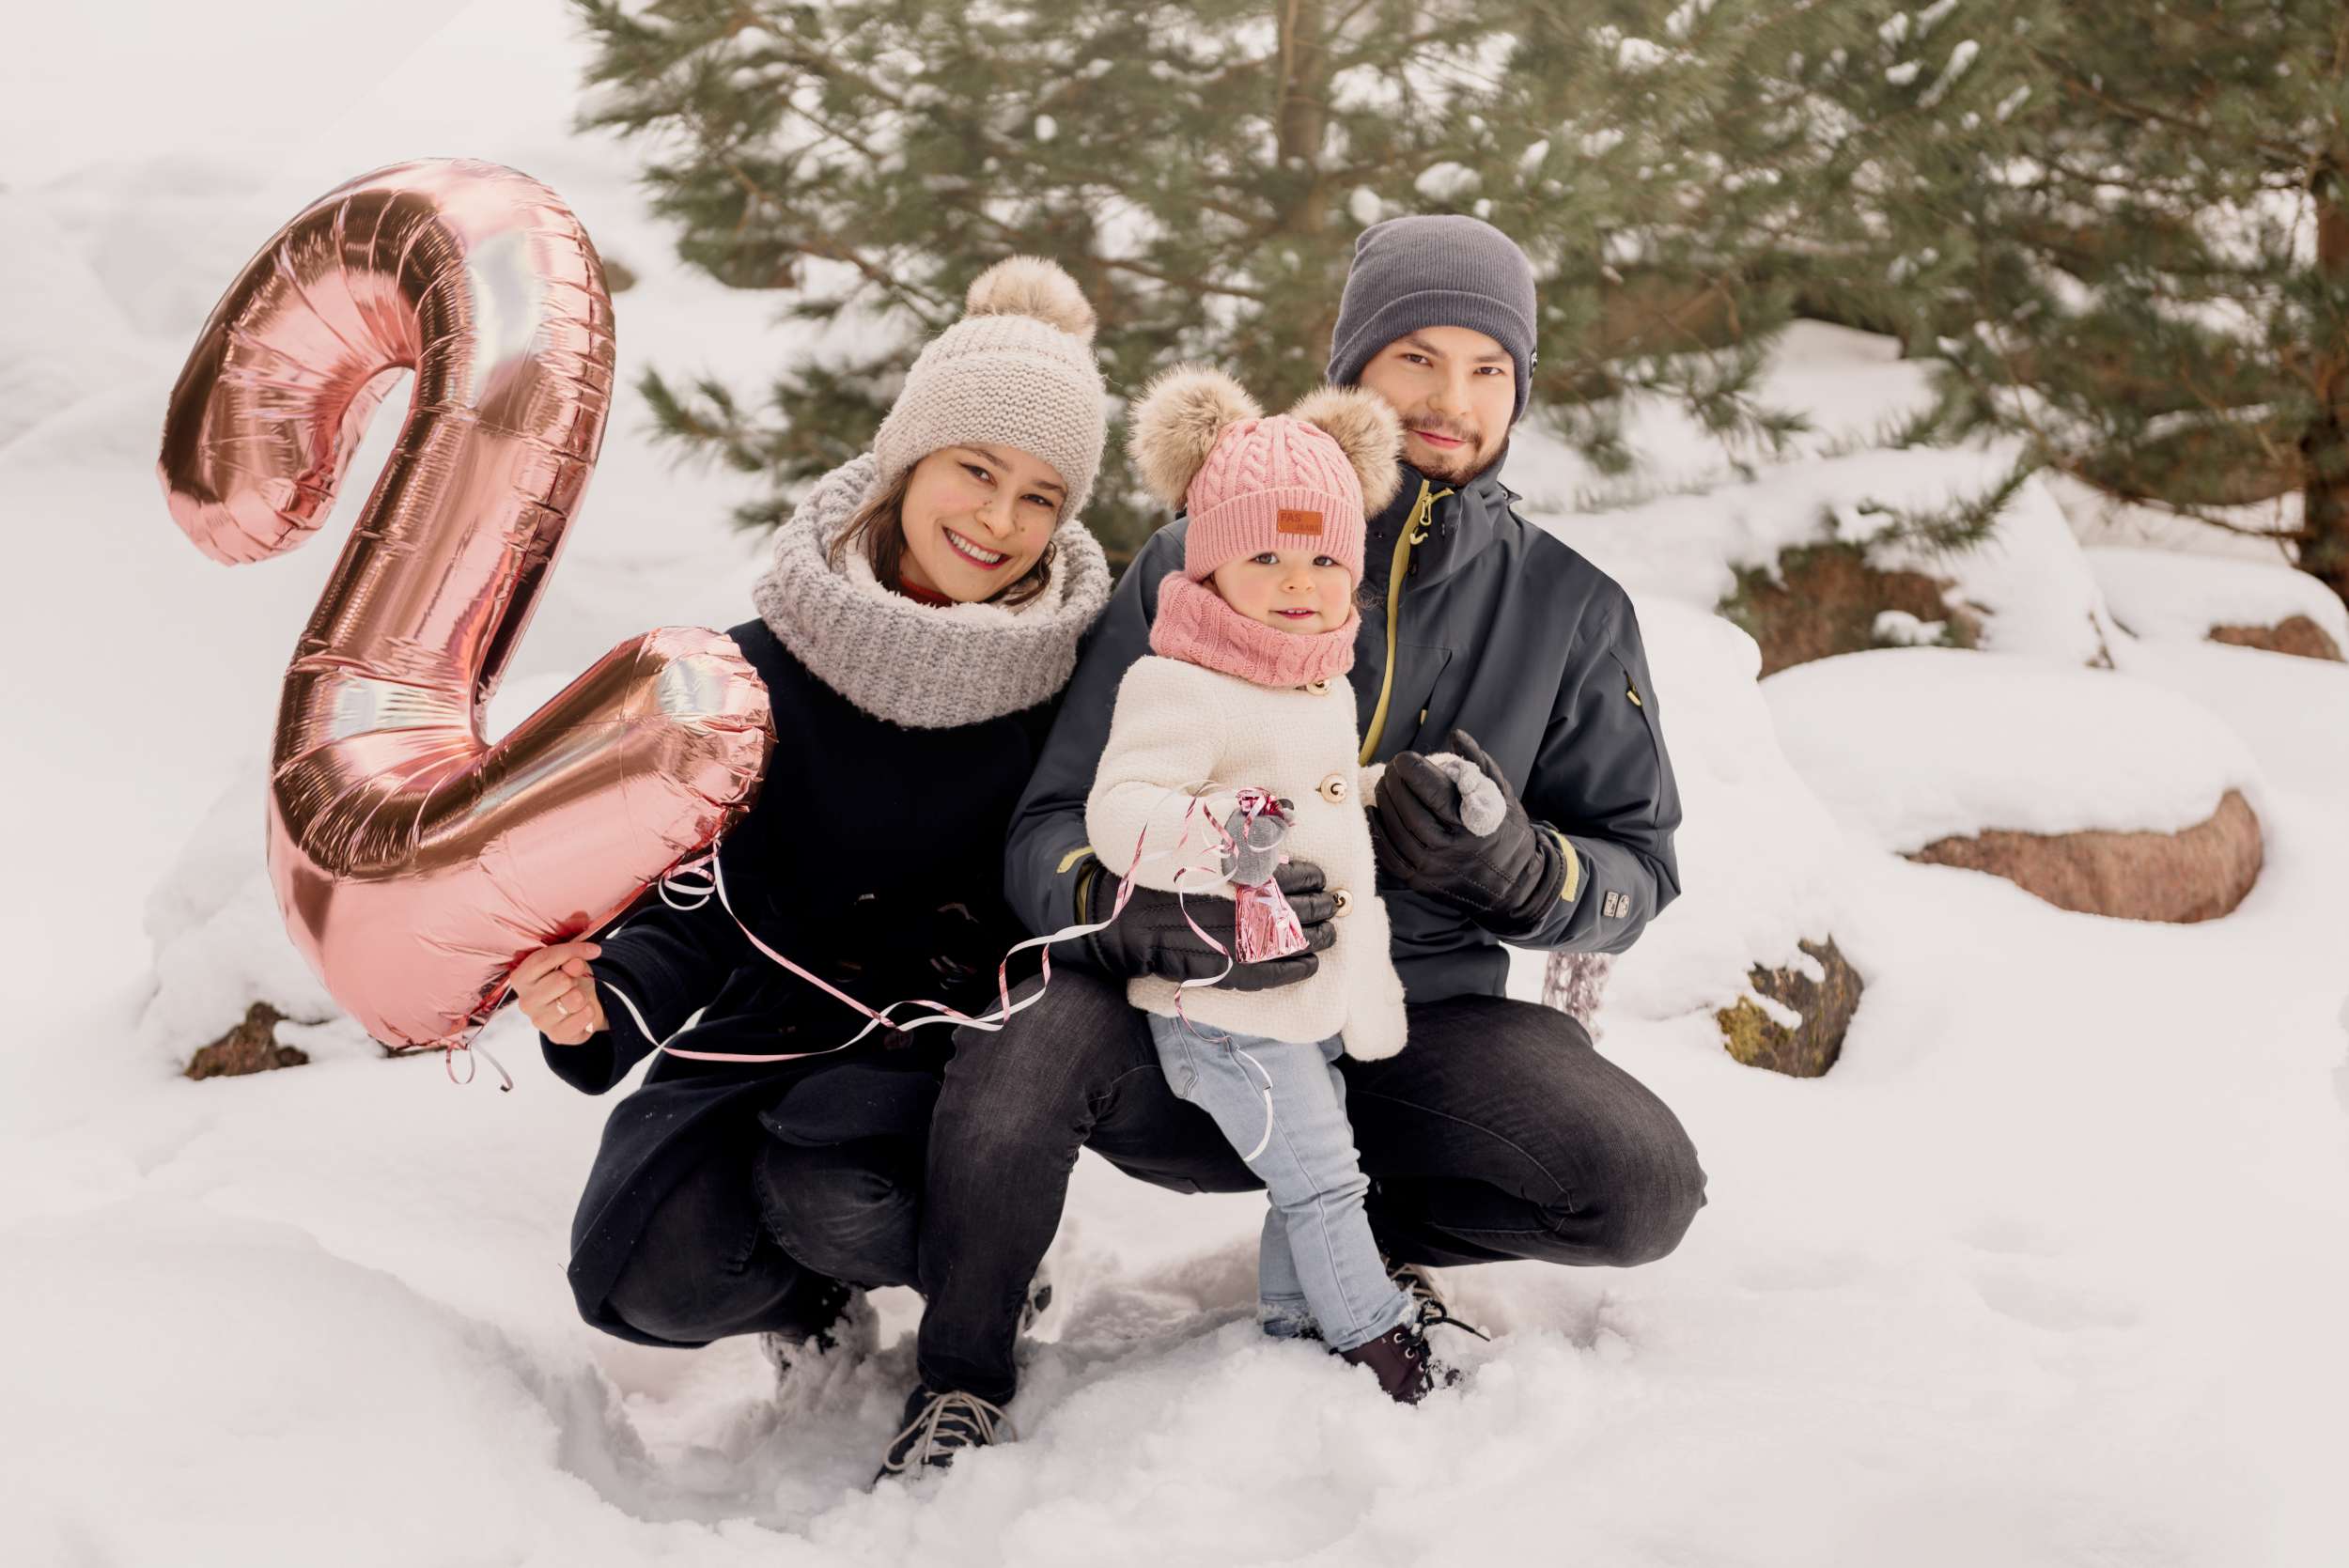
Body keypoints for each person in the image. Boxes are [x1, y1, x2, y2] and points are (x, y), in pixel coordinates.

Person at [899, 214, 1708, 1471]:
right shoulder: (1192, 563)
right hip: (1188, 1012)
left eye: (1489, 367)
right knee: (1026, 1039)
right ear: (1355, 378)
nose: (1452, 398)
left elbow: (1638, 871)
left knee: (1638, 1183)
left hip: (1405, 1018)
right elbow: (1052, 822)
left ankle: (1345, 1241)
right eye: (1417, 359)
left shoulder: (1569, 607)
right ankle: (960, 1374)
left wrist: (1520, 872)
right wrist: (1132, 915)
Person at [509, 256, 1112, 1474]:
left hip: (946, 1070)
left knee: (836, 1183)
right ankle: (813, 1316)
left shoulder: (1069, 687)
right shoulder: (757, 669)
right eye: (976, 471)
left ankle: (991, 1257)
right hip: (763, 1043)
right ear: (908, 464)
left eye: (1041, 497)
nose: (999, 522)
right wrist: (598, 1001)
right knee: (640, 1276)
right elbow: (691, 895)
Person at [1087, 365, 1493, 1402]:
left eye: (1323, 556)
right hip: (1221, 1005)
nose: (1299, 579)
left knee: (1316, 1165)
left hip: (1302, 988)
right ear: (1212, 566)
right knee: (1324, 1177)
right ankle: (1379, 1342)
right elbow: (1121, 811)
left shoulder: (1309, 672)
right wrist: (1225, 835)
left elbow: (1305, 794)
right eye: (1265, 553)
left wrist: (1390, 786)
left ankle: (1293, 1318)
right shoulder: (1178, 680)